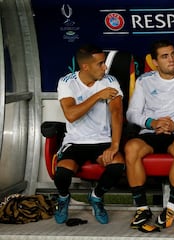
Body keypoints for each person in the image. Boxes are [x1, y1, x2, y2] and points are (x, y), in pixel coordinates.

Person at [125, 39, 174, 231]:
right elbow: (132, 113)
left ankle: (171, 207)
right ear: (155, 62)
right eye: (164, 56)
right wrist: (152, 123)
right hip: (152, 130)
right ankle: (142, 208)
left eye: (173, 54)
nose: (171, 59)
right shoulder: (144, 81)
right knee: (131, 148)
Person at [54, 44, 126, 224]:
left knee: (117, 165)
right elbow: (71, 115)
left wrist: (114, 145)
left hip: (101, 141)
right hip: (75, 142)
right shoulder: (67, 81)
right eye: (100, 64)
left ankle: (96, 196)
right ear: (85, 67)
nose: (105, 67)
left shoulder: (110, 81)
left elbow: (117, 113)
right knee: (62, 173)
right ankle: (63, 198)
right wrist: (97, 95)